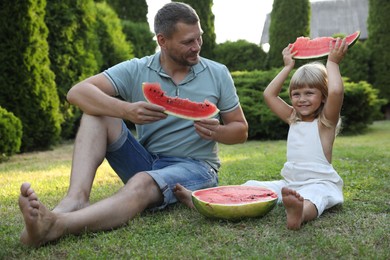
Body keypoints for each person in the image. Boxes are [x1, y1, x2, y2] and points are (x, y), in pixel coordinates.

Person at [18, 2, 248, 247]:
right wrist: (126, 110)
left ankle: (57, 225)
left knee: (141, 181)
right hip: (147, 160)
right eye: (187, 42)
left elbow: (241, 130)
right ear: (162, 40)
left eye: (198, 38)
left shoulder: (217, 72)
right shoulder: (138, 68)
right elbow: (77, 92)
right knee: (96, 113)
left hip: (195, 167)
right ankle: (75, 199)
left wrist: (219, 131)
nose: (197, 47)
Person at [175, 37, 348, 230]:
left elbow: (336, 92)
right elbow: (269, 95)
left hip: (320, 182)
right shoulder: (293, 117)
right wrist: (287, 67)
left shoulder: (326, 123)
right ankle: (201, 199)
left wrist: (332, 62)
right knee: (251, 185)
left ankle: (299, 214)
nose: (302, 99)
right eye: (296, 94)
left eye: (309, 93)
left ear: (323, 97)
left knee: (316, 197)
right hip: (290, 183)